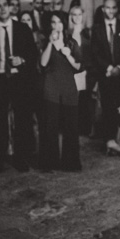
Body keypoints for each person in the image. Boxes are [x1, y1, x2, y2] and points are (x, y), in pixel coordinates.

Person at [0, 0, 38, 177]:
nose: (3, 8)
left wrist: (22, 60)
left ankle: (20, 158)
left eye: (5, 4)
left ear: (10, 7)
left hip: (18, 79)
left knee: (22, 120)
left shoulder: (22, 28)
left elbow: (33, 54)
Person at [39, 13, 83, 172]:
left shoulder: (71, 42)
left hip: (68, 86)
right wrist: (50, 44)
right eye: (53, 22)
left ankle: (70, 162)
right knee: (50, 126)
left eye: (59, 22)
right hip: (51, 85)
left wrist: (68, 54)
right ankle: (50, 163)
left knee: (71, 126)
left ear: (64, 24)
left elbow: (78, 66)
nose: (56, 25)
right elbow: (43, 64)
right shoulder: (45, 42)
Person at [91, 0, 120, 139]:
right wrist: (109, 67)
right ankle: (109, 139)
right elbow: (95, 52)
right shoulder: (97, 28)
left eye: (114, 7)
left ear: (117, 9)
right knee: (108, 108)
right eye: (107, 8)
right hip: (106, 74)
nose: (111, 10)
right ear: (103, 9)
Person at [67, 5, 94, 137]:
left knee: (86, 101)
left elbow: (94, 53)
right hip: (72, 72)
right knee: (73, 102)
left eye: (79, 14)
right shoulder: (67, 34)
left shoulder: (89, 33)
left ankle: (86, 129)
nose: (77, 17)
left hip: (87, 72)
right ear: (70, 16)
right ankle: (73, 128)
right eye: (74, 14)